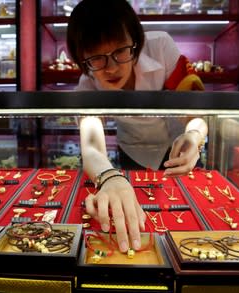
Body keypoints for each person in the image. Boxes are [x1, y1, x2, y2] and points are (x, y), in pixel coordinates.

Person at [67, 0, 208, 253]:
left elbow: (195, 111)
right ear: (82, 59)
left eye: (120, 51)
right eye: (97, 58)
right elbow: (91, 148)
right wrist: (110, 177)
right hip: (133, 151)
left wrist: (195, 135)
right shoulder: (87, 85)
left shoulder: (161, 47)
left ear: (136, 41)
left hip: (179, 146)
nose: (111, 67)